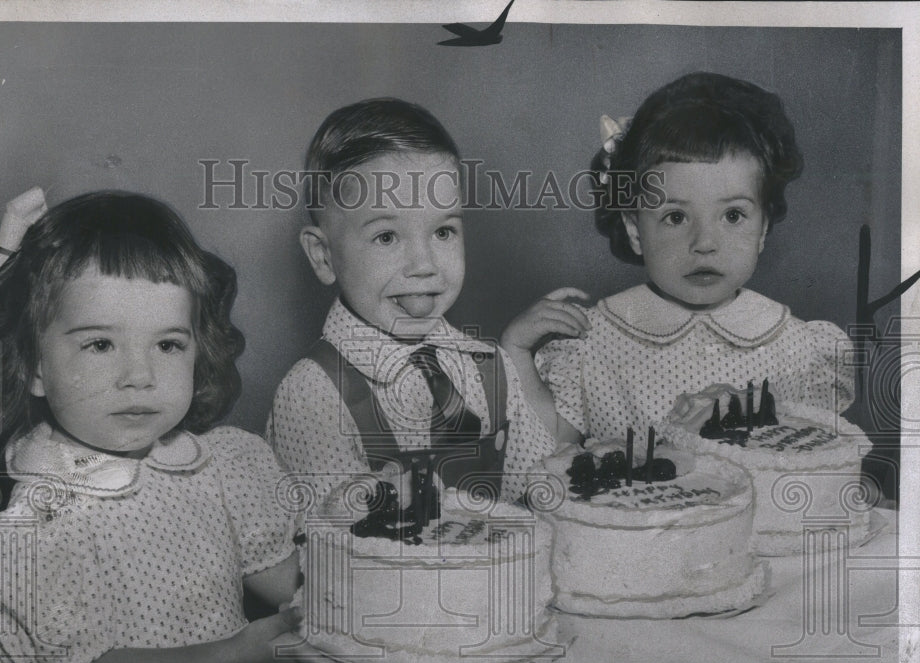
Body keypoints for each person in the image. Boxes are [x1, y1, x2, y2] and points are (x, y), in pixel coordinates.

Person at [0, 189, 342, 663]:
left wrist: (367, 561)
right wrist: (250, 649)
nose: (139, 375)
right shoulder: (38, 524)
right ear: (34, 366)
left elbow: (284, 582)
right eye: (100, 344)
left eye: (168, 344)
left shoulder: (220, 466)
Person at [267, 98, 581, 509]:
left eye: (443, 232)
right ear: (323, 256)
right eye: (386, 237)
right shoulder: (314, 394)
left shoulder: (491, 366)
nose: (424, 265)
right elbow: (335, 547)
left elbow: (536, 490)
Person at [508, 72, 854, 441]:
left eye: (733, 215)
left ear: (763, 228)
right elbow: (548, 453)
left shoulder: (797, 347)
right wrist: (516, 351)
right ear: (635, 230)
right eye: (675, 217)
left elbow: (818, 463)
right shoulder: (593, 345)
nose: (704, 243)